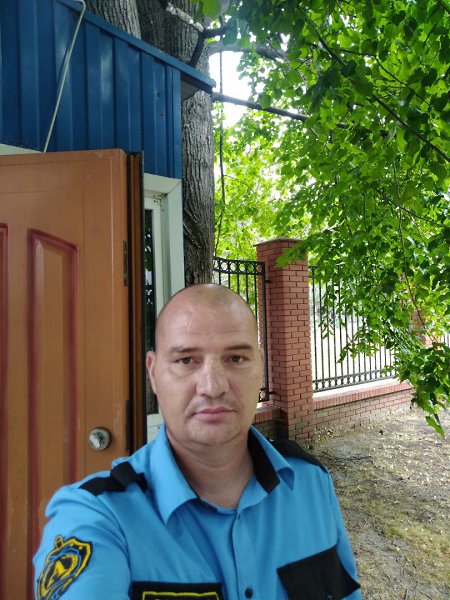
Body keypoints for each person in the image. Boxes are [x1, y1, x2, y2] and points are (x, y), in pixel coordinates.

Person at [34, 284, 362, 600]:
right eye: (186, 360)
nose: (213, 387)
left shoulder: (310, 484)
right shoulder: (98, 517)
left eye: (236, 358)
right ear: (153, 374)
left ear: (260, 367)